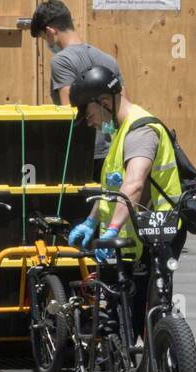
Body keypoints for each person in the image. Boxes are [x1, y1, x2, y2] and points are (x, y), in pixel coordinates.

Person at [66, 66, 184, 340]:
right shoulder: (121, 132)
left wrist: (112, 230)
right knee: (121, 310)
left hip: (153, 236)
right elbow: (114, 189)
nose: (90, 122)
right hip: (133, 239)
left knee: (150, 313)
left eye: (90, 114)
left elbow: (134, 184)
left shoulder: (140, 132)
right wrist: (92, 221)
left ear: (105, 102)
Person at [29, 0, 123, 181]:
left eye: (44, 38)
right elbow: (123, 105)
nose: (47, 43)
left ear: (50, 31)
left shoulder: (61, 61)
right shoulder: (108, 59)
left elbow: (68, 114)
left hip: (82, 155)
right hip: (111, 152)